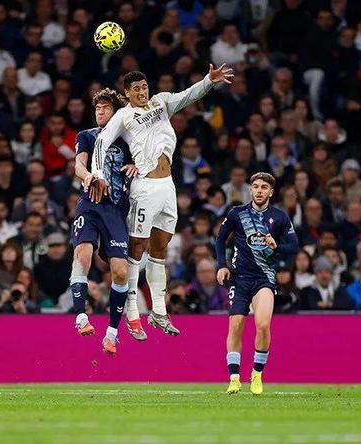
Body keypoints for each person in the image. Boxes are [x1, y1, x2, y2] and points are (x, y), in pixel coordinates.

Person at [91, 64, 234, 337]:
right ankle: (132, 312)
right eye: (136, 89)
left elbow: (189, 95)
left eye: (144, 87)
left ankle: (158, 312)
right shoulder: (124, 116)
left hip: (168, 187)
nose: (142, 92)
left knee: (160, 250)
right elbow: (101, 142)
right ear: (127, 93)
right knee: (137, 248)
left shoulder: (162, 102)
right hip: (145, 186)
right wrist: (97, 174)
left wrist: (209, 80)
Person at [215, 172, 299, 395]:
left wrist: (276, 245)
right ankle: (234, 378)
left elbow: (294, 246)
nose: (259, 191)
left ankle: (257, 374)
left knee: (262, 325)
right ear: (250, 189)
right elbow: (220, 239)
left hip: (264, 278)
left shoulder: (279, 217)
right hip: (239, 277)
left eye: (264, 187)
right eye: (256, 186)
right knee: (235, 326)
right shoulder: (237, 213)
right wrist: (222, 265)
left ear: (271, 192)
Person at [69, 88, 137, 354]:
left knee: (120, 272)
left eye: (106, 107)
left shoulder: (128, 141)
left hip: (116, 210)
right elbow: (78, 164)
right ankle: (80, 316)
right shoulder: (87, 136)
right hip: (89, 205)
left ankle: (112, 333)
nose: (100, 111)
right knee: (82, 255)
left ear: (116, 112)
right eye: (97, 107)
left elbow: (144, 165)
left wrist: (136, 167)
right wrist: (88, 176)